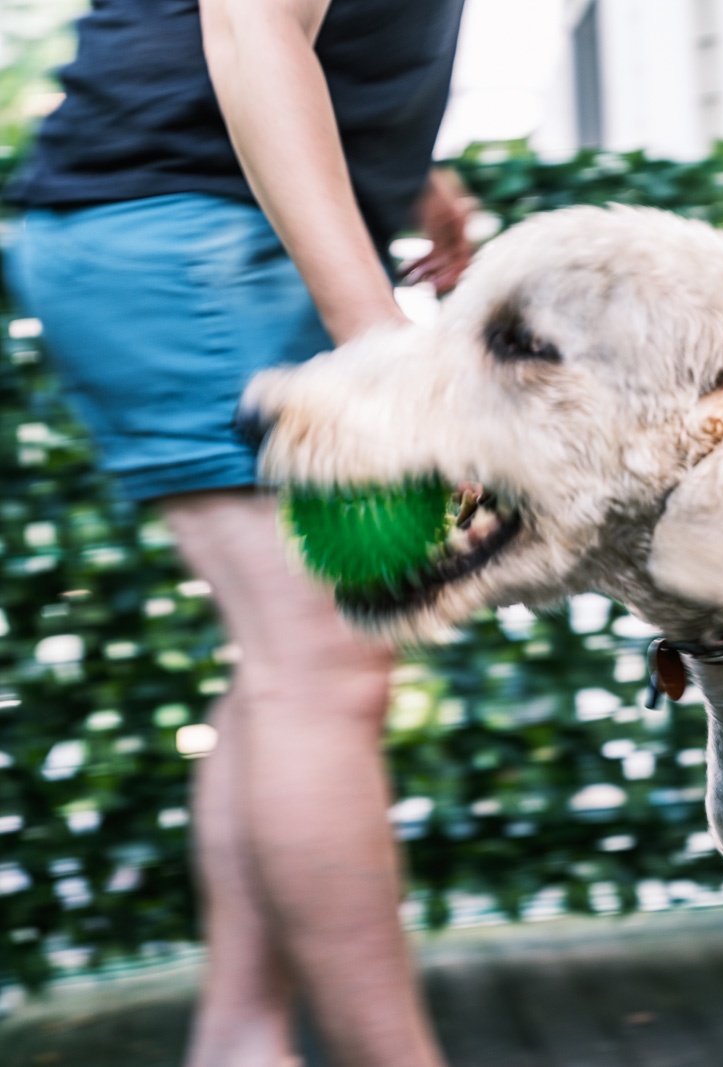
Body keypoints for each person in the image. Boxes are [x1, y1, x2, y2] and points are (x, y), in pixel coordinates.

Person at [4, 2, 471, 1064]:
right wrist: (372, 338)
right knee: (323, 665)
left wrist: (414, 178)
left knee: (294, 664)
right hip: (191, 240)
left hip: (206, 229)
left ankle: (240, 1038)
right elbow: (252, 30)